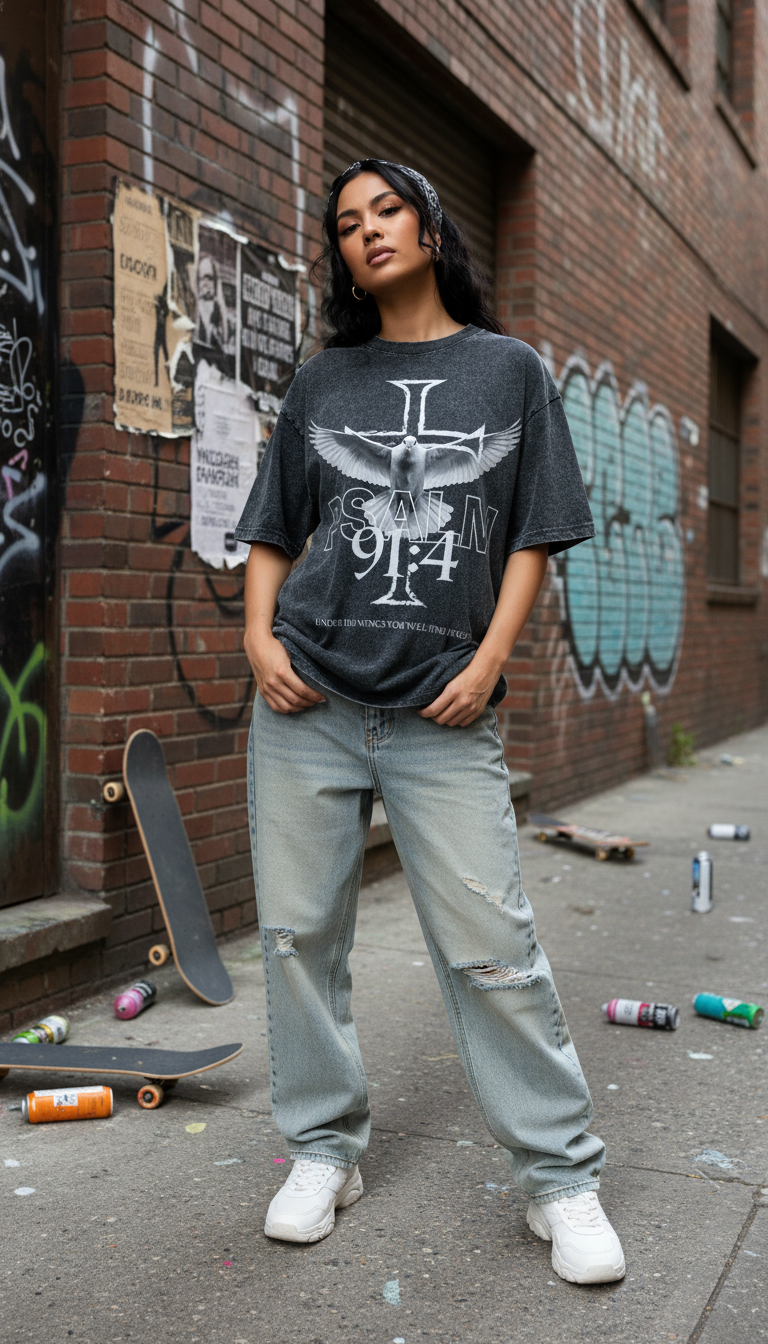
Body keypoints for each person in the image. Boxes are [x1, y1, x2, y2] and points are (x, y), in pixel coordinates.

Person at [234, 159, 625, 1286]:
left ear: (431, 224)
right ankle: (321, 1152)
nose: (368, 233)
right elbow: (272, 527)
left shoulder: (508, 372)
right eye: (347, 224)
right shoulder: (325, 382)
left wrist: (491, 657)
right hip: (307, 695)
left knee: (491, 944)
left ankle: (560, 1179)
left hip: (444, 710)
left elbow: (534, 533)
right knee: (302, 939)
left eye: (387, 210)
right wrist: (260, 639)